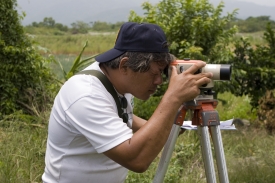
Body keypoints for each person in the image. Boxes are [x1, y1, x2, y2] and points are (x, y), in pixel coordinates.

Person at [42, 22, 213, 183]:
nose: (159, 81)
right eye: (154, 73)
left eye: (162, 73)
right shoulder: (86, 94)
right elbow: (137, 160)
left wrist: (177, 113)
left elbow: (125, 118)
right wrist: (172, 98)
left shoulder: (117, 81)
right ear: (125, 65)